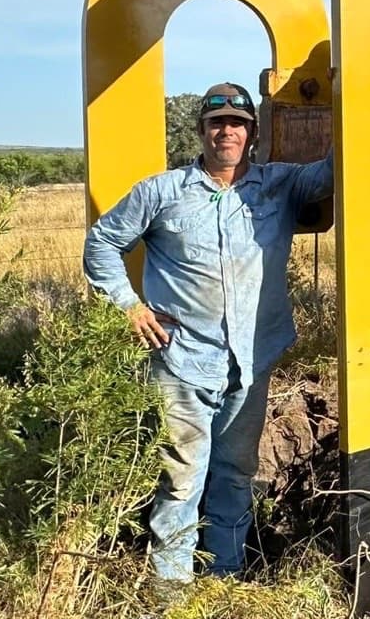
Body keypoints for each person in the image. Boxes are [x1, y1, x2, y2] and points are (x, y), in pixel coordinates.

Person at [83, 82, 333, 592]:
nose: (227, 131)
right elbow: (103, 243)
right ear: (200, 131)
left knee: (236, 472)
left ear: (252, 133)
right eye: (217, 122)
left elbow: (336, 170)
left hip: (251, 360)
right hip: (181, 361)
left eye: (238, 123)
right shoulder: (162, 192)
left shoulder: (279, 185)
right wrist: (129, 306)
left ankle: (225, 578)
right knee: (181, 477)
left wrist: (363, 97)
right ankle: (171, 591)